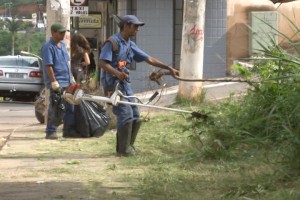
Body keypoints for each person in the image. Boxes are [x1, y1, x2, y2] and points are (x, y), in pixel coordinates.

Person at [98, 15, 179, 156]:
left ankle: (129, 146)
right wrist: (117, 73)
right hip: (113, 85)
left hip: (125, 84)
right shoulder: (112, 42)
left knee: (135, 114)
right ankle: (123, 151)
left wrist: (168, 68)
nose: (138, 30)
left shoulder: (130, 44)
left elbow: (149, 59)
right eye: (135, 26)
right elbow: (102, 63)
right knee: (125, 114)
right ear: (126, 26)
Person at [41, 22, 78, 139]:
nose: (63, 34)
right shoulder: (48, 47)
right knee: (56, 107)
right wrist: (54, 82)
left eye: (64, 32)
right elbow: (48, 66)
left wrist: (71, 77)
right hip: (57, 81)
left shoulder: (62, 45)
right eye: (60, 32)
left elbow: (67, 63)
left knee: (70, 107)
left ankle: (68, 130)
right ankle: (50, 131)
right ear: (53, 33)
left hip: (66, 81)